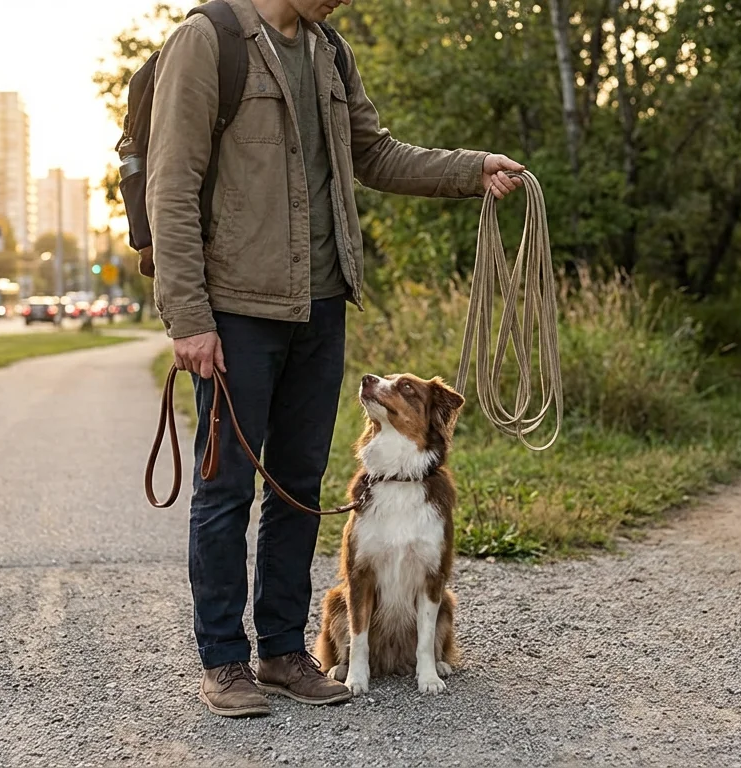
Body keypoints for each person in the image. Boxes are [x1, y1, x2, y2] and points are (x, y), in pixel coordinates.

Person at [146, 0, 524, 717]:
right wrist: (189, 317)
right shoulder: (207, 42)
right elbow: (171, 184)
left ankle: (283, 651)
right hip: (237, 310)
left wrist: (471, 169)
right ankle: (224, 662)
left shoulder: (329, 51)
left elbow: (376, 154)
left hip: (321, 307)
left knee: (297, 485)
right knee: (226, 490)